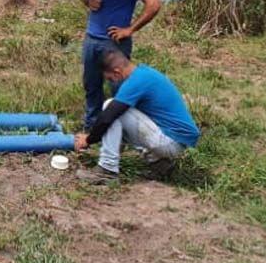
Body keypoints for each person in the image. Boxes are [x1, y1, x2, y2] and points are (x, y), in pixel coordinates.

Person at [66, 0, 162, 130]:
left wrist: (130, 29)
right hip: (92, 39)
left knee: (119, 90)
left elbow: (153, 4)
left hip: (115, 43)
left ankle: (120, 132)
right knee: (91, 86)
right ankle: (91, 128)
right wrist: (87, 0)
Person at [74, 49, 200, 183]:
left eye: (110, 78)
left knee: (110, 106)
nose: (110, 82)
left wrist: (88, 140)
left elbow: (107, 117)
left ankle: (107, 168)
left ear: (117, 73)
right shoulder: (143, 73)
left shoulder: (135, 82)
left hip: (170, 142)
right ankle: (159, 164)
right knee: (121, 110)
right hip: (176, 140)